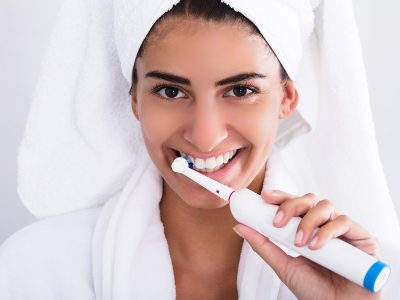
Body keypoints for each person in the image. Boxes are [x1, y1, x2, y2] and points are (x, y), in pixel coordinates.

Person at [1, 0, 399, 299]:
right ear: (135, 101)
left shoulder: (373, 275)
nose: (205, 137)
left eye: (240, 90)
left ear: (287, 98)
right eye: (171, 91)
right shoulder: (34, 270)